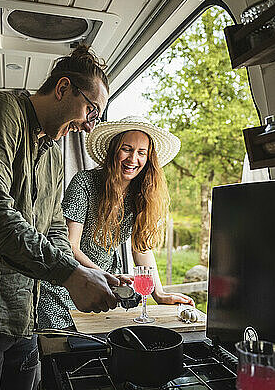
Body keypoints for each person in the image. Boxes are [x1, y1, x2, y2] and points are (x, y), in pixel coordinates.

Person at [0, 45, 122, 390]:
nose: (90, 127)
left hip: (21, 317)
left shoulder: (51, 153)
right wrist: (70, 274)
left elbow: (56, 226)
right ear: (63, 88)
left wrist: (87, 271)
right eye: (91, 111)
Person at [38, 116, 195, 330]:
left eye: (141, 153)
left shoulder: (141, 193)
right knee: (67, 353)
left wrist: (159, 293)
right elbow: (69, 247)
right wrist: (107, 277)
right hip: (66, 286)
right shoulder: (85, 183)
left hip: (105, 288)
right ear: (113, 150)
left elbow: (141, 247)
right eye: (127, 149)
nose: (133, 159)